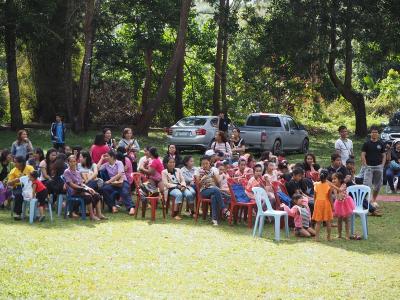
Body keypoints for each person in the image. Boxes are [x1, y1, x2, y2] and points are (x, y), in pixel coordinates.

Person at [64, 155, 105, 220]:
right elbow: (71, 185)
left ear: (76, 162)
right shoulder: (67, 172)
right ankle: (92, 215)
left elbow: (81, 183)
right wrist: (83, 189)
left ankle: (99, 214)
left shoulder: (77, 172)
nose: (72, 163)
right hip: (73, 192)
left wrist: (88, 188)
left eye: (74, 161)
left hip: (80, 190)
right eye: (71, 162)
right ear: (68, 162)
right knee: (88, 196)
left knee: (96, 195)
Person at [97, 150, 135, 215]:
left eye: (107, 156)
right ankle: (113, 206)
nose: (106, 157)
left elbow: (119, 174)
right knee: (103, 189)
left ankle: (131, 207)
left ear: (112, 157)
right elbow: (97, 169)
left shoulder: (119, 163)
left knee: (124, 191)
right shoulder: (106, 165)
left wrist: (109, 181)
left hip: (121, 181)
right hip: (113, 183)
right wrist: (101, 159)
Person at [197, 156, 230, 226]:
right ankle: (224, 208)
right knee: (216, 190)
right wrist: (203, 177)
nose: (205, 165)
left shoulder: (213, 170)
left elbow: (217, 182)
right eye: (203, 164)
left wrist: (213, 176)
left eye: (206, 163)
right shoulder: (199, 171)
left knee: (214, 197)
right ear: (201, 164)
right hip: (204, 191)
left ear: (210, 163)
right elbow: (198, 184)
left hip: (214, 190)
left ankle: (214, 219)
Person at [361, 126, 386, 206]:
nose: (374, 134)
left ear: (378, 134)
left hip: (379, 167)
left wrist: (382, 165)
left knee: (378, 186)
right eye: (373, 132)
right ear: (370, 134)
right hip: (369, 167)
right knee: (367, 185)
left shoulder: (381, 143)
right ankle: (366, 202)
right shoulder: (366, 143)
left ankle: (374, 200)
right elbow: (363, 154)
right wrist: (365, 165)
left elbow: (384, 155)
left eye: (376, 132)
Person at [7, 156, 35, 220]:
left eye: (15, 162)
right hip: (18, 187)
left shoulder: (30, 168)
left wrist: (22, 178)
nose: (14, 163)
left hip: (29, 186)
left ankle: (35, 212)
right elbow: (9, 183)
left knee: (35, 193)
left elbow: (34, 176)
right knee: (19, 194)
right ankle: (18, 213)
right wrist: (13, 181)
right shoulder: (13, 171)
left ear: (21, 163)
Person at [329, 172, 355, 240]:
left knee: (346, 220)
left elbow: (340, 191)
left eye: (335, 179)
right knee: (339, 220)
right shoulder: (334, 187)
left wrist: (333, 186)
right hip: (338, 204)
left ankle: (347, 235)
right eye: (332, 179)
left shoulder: (344, 185)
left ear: (340, 179)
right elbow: (336, 196)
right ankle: (339, 234)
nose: (333, 180)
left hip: (345, 203)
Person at [312, 169, 333, 241]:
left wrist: (315, 204)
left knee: (318, 222)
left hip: (318, 203)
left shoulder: (316, 184)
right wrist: (332, 206)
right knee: (328, 221)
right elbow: (330, 198)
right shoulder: (329, 185)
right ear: (327, 177)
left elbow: (314, 196)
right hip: (326, 203)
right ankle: (328, 237)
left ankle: (316, 237)